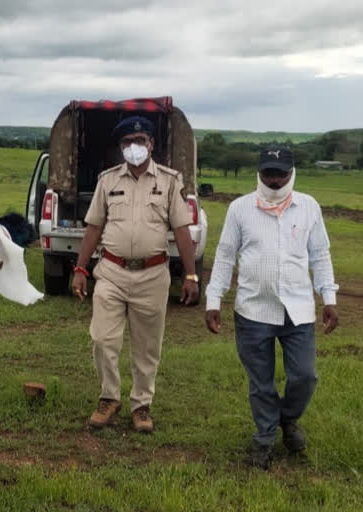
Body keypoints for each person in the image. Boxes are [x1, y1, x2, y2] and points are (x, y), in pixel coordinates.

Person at [205, 146, 339, 469]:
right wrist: (213, 300)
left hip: (298, 311)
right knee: (261, 382)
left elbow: (320, 255)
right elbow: (224, 256)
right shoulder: (240, 210)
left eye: (281, 173)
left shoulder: (308, 207)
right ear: (259, 172)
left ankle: (288, 419)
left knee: (305, 376)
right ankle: (264, 439)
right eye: (269, 174)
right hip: (252, 310)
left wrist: (329, 298)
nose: (276, 180)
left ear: (291, 172)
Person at [71, 116, 199, 434]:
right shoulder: (108, 180)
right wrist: (79, 268)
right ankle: (109, 397)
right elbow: (93, 228)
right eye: (127, 143)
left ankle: (141, 405)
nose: (134, 147)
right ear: (120, 148)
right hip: (111, 271)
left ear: (151, 144)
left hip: (153, 274)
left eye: (140, 141)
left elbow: (182, 231)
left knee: (147, 346)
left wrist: (191, 275)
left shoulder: (170, 181)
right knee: (102, 339)